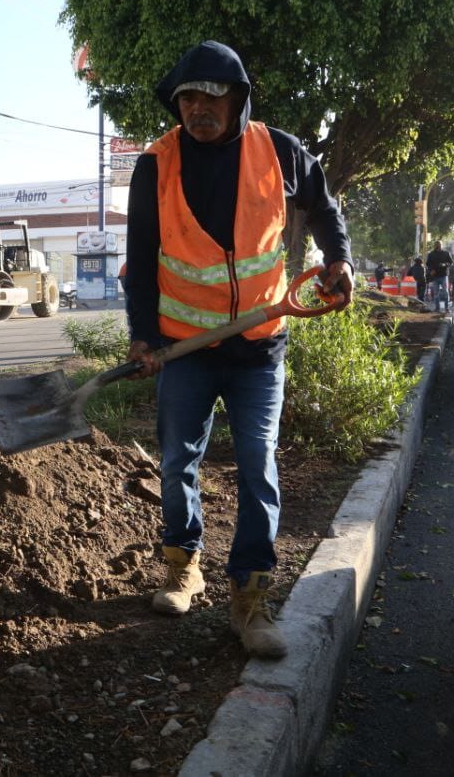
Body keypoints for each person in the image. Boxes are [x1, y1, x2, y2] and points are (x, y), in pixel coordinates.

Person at [124, 41, 353, 659]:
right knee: (177, 463)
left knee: (258, 466)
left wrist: (340, 260)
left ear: (239, 99)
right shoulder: (156, 166)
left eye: (212, 97)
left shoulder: (277, 151)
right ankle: (182, 565)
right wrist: (142, 336)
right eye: (187, 98)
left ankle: (249, 598)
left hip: (258, 346)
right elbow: (141, 262)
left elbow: (325, 208)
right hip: (185, 348)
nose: (198, 109)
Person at [425, 240, 453, 312]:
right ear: (435, 245)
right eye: (437, 245)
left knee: (445, 292)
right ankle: (437, 308)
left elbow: (451, 263)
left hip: (443, 275)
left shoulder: (446, 253)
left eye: (439, 245)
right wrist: (431, 270)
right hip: (435, 276)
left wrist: (445, 264)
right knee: (436, 293)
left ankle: (447, 308)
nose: (438, 246)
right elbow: (428, 264)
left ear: (442, 245)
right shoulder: (431, 254)